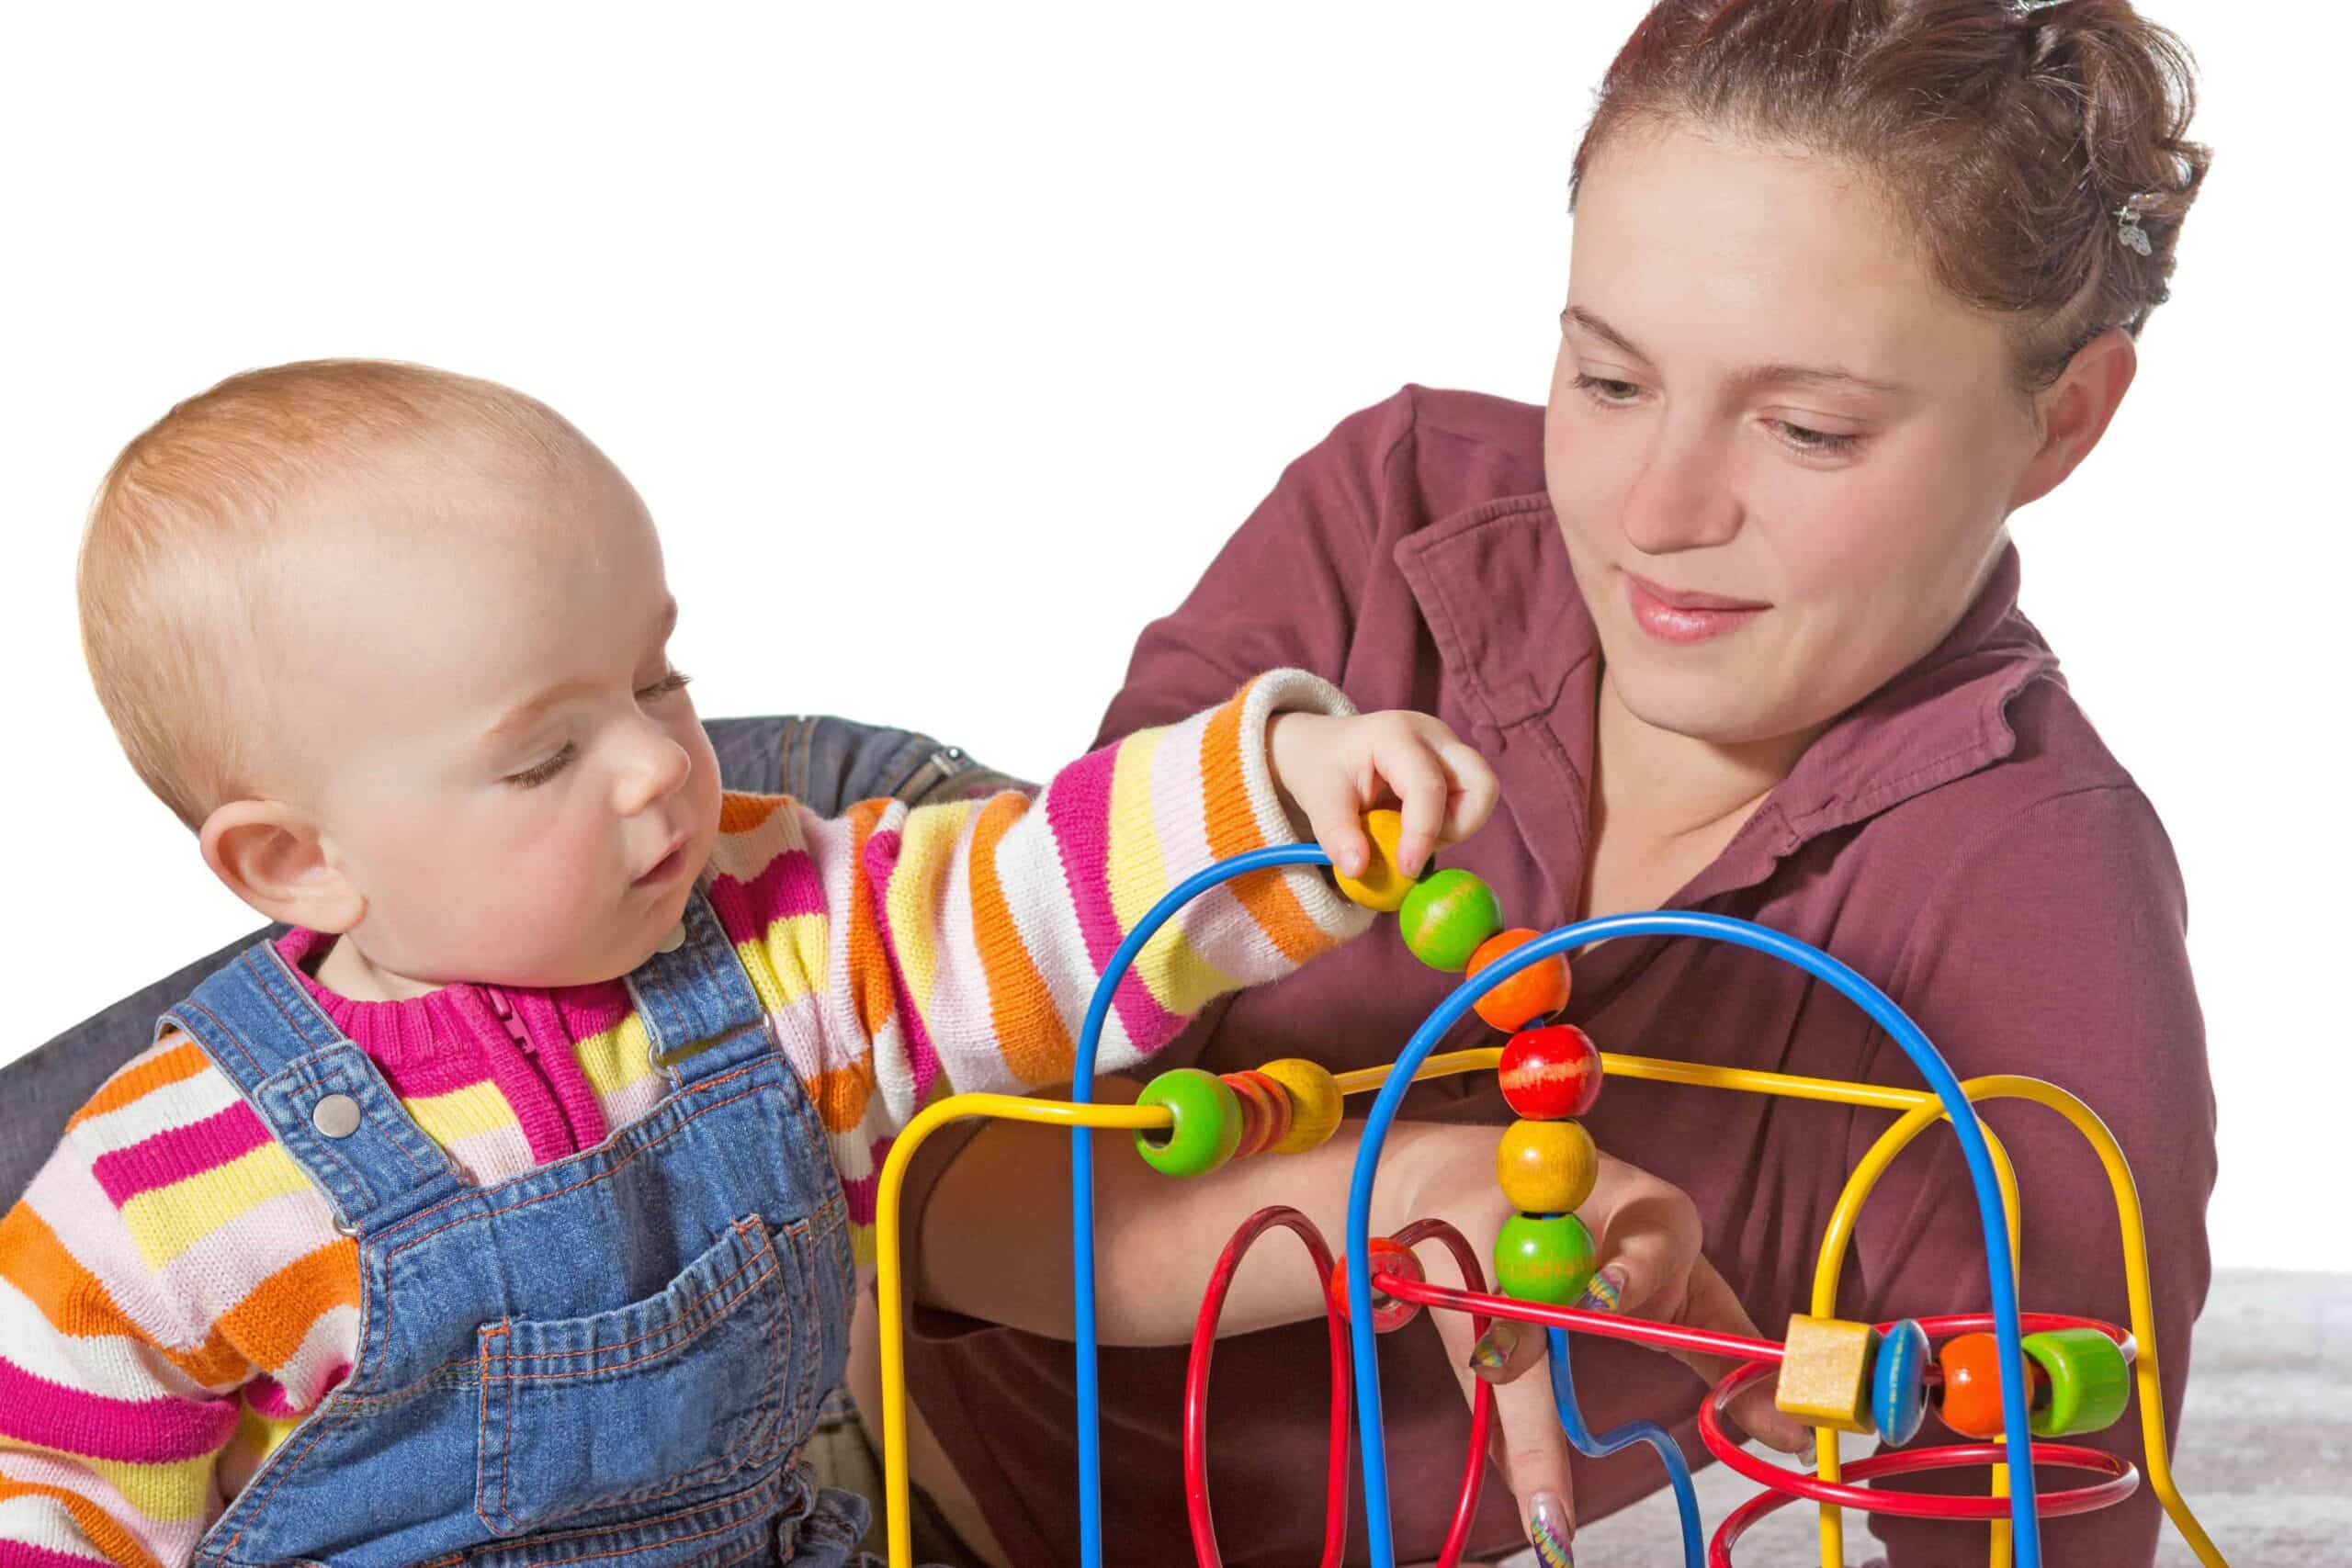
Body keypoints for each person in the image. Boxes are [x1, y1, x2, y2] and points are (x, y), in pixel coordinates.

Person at [884, 2, 2218, 1564]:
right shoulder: (1387, 523)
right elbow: (919, 1188)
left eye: (1808, 429)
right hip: (800, 1312)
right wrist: (1398, 1205)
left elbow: (2040, 1498)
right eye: (1608, 381)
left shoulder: (2041, 903)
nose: (1658, 512)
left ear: (2063, 421)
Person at [0, 358, 1503, 1566]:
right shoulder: (165, 1183)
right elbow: (52, 1491)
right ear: (296, 863)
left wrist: (1273, 797)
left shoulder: (789, 947)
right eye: (546, 756)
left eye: (657, 676)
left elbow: (1022, 896)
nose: (659, 762)